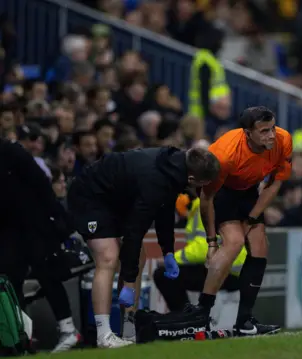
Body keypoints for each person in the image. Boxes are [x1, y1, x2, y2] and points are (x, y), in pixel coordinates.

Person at [67, 146, 219, 348]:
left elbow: (163, 211)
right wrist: (129, 280)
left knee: (138, 258)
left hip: (116, 198)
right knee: (109, 257)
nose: (204, 190)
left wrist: (168, 252)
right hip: (91, 194)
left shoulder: (175, 168)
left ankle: (128, 330)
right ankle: (103, 335)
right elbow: (134, 232)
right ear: (192, 180)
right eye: (204, 184)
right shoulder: (155, 180)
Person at [198, 106, 291, 336]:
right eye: (263, 131)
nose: (271, 135)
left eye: (272, 128)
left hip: (249, 191)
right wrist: (211, 241)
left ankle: (244, 321)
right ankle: (201, 316)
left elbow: (275, 184)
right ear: (247, 133)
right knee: (234, 242)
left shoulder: (283, 139)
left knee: (260, 247)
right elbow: (205, 198)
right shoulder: (225, 154)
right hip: (222, 192)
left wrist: (252, 217)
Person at [0, 139, 82, 353]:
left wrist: (57, 216)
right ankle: (18, 336)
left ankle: (68, 329)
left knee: (46, 272)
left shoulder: (11, 151)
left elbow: (41, 183)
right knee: (10, 280)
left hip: (35, 223)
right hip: (9, 228)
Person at [154, 191, 245, 312]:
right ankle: (186, 316)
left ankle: (184, 318)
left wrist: (172, 260)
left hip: (227, 271)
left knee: (164, 274)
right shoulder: (202, 205)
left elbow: (203, 248)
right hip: (229, 268)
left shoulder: (203, 207)